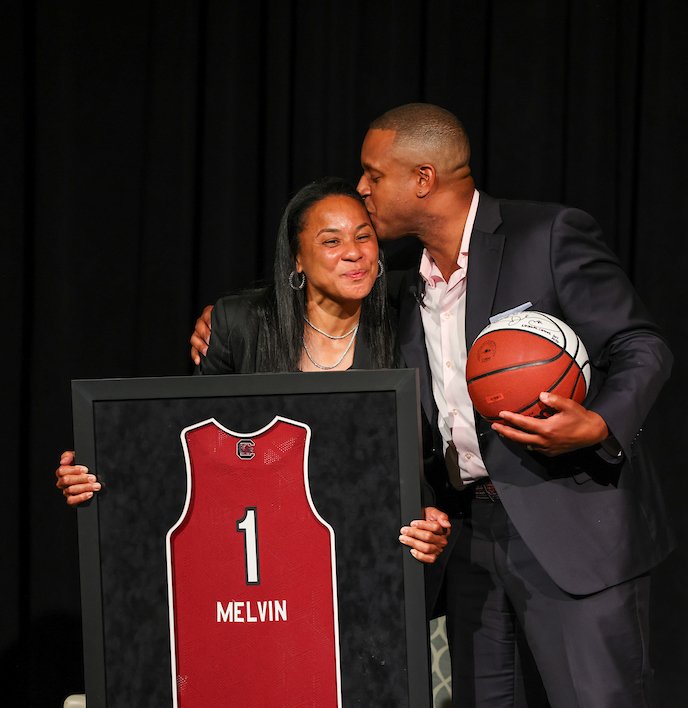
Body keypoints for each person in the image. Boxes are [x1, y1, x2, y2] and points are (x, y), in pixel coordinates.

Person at [191, 104, 674, 708]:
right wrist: (224, 320)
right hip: (473, 537)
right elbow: (314, 299)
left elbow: (641, 346)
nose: (361, 188)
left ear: (422, 178)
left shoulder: (546, 237)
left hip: (575, 530)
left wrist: (596, 424)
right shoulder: (403, 286)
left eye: (372, 175)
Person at [56, 177, 450, 564]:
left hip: (365, 552)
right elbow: (190, 443)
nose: (354, 253)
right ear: (297, 257)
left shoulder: (406, 327)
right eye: (332, 241)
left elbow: (416, 456)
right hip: (257, 550)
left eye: (363, 237)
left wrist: (426, 514)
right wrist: (102, 465)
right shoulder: (239, 324)